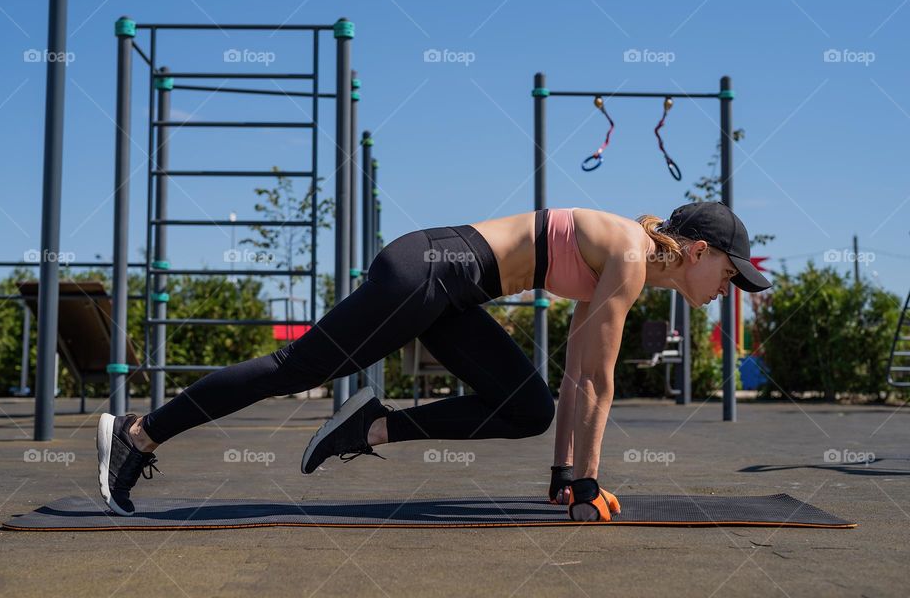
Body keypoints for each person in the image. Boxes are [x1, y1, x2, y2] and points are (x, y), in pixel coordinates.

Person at [97, 200, 771, 521]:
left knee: (526, 407)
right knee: (297, 370)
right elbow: (597, 380)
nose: (728, 291)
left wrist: (568, 474)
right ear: (698, 252)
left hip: (450, 288)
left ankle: (368, 429)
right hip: (425, 271)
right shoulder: (627, 255)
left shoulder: (630, 262)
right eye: (730, 276)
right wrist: (589, 487)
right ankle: (138, 432)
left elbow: (573, 378)